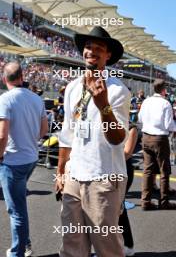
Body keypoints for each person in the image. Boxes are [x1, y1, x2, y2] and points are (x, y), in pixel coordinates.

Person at [55, 26, 131, 257]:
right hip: (74, 176)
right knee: (71, 246)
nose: (92, 51)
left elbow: (118, 139)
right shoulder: (71, 87)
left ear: (108, 56)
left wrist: (103, 105)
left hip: (104, 177)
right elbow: (67, 133)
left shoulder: (118, 91)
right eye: (89, 47)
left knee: (107, 248)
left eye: (99, 48)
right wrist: (60, 172)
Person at [0, 62, 48, 257]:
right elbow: (44, 131)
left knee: (16, 210)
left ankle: (18, 252)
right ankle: (23, 244)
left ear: (5, 80)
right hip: (30, 158)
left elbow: (2, 135)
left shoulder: (5, 99)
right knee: (19, 205)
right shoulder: (37, 99)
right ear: (22, 77)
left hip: (13, 161)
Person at [138, 79, 176, 210]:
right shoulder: (165, 103)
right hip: (160, 138)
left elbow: (140, 119)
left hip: (146, 137)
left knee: (147, 170)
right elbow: (168, 125)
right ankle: (164, 201)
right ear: (164, 90)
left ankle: (145, 201)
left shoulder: (146, 101)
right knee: (164, 171)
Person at [119, 122, 138, 256]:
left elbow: (127, 153)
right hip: (106, 170)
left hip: (123, 170)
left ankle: (127, 245)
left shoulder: (131, 129)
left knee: (119, 208)